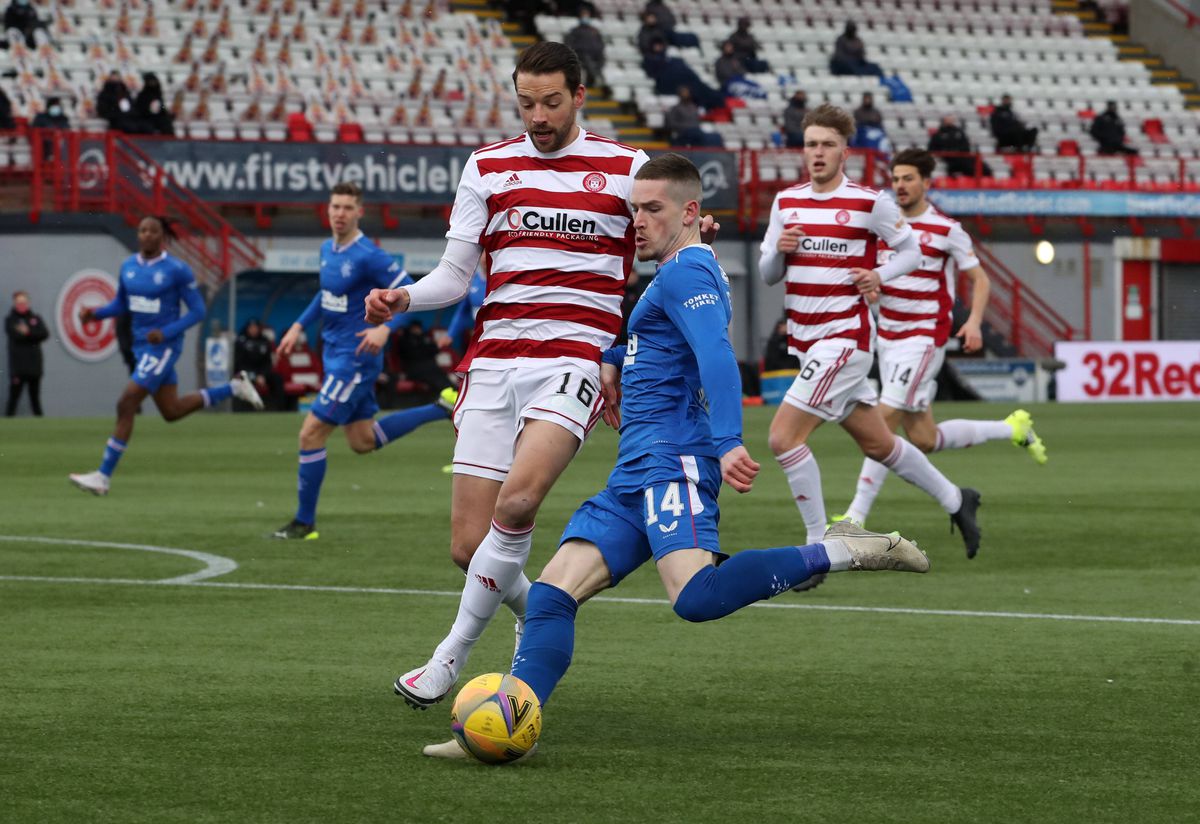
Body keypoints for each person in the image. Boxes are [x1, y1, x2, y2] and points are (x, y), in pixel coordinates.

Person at [421, 155, 929, 758]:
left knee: (696, 598)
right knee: (554, 596)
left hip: (675, 459)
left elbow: (715, 353)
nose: (637, 220)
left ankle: (846, 549)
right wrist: (614, 358)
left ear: (689, 212)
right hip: (635, 466)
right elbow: (653, 339)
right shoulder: (675, 269)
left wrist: (728, 440)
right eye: (634, 208)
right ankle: (509, 722)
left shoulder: (688, 273)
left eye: (652, 208)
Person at [364, 42, 715, 712]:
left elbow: (670, 236)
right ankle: (537, 605)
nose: (538, 115)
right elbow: (455, 275)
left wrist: (689, 241)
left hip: (574, 360)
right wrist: (403, 297)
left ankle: (449, 658)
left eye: (551, 102)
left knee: (518, 505)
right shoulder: (489, 166)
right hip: (493, 363)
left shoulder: (623, 167)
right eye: (527, 102)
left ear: (579, 96)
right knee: (470, 548)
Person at [758, 104, 981, 577]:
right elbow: (767, 275)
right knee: (880, 444)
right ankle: (957, 499)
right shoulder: (786, 202)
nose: (817, 153)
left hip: (844, 341)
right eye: (811, 144)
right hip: (806, 342)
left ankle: (816, 549)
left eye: (827, 145)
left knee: (782, 437)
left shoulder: (868, 201)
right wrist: (779, 252)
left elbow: (913, 251)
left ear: (844, 151)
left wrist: (876, 273)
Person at [835, 149, 1047, 527]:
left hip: (924, 338)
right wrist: (873, 291)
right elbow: (882, 276)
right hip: (889, 338)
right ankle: (1012, 428)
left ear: (926, 183)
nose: (900, 185)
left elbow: (980, 279)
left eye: (908, 178)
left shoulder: (947, 229)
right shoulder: (887, 229)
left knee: (882, 425)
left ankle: (856, 516)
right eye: (896, 178)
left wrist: (975, 322)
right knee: (925, 438)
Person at [270, 182, 457, 540]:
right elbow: (325, 296)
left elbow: (408, 289)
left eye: (346, 207)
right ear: (327, 209)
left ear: (359, 212)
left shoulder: (369, 254)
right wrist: (296, 326)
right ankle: (440, 407)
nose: (339, 213)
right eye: (334, 206)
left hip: (354, 359)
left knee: (310, 434)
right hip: (333, 353)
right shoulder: (328, 249)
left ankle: (304, 523)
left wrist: (386, 330)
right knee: (362, 440)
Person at [68, 216, 265, 496]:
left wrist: (167, 331)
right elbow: (123, 303)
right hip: (141, 346)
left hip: (164, 347)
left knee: (126, 403)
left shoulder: (177, 270)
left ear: (163, 237)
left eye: (152, 231)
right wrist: (95, 314)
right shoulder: (129, 266)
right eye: (142, 230)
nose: (146, 235)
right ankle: (234, 387)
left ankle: (103, 476)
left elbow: (198, 311)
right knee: (171, 411)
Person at [5, 290, 48, 416]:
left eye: (24, 302)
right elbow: (15, 335)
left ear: (28, 302)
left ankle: (42, 428)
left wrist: (28, 333)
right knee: (13, 399)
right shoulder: (10, 320)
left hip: (34, 367)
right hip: (18, 368)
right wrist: (31, 335)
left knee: (35, 399)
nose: (21, 305)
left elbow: (44, 334)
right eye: (19, 303)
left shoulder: (35, 318)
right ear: (14, 303)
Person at [233, 317, 282, 411]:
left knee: (278, 379)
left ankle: (278, 409)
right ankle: (242, 410)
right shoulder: (241, 341)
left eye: (255, 327)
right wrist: (255, 376)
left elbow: (268, 362)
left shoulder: (264, 341)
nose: (253, 330)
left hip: (262, 373)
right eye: (251, 327)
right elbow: (239, 364)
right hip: (246, 373)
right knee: (241, 380)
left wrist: (263, 375)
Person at [394, 319, 454, 394]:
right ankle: (448, 393)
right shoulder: (405, 340)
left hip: (430, 366)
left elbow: (434, 350)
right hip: (414, 368)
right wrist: (426, 350)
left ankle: (452, 391)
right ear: (411, 328)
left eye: (419, 328)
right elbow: (413, 354)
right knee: (435, 378)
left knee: (440, 375)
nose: (417, 330)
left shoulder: (425, 338)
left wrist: (428, 349)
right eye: (415, 328)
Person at [564, 8, 604, 88]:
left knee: (601, 59)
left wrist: (599, 50)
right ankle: (597, 77)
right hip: (581, 54)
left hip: (595, 54)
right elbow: (569, 43)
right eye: (583, 15)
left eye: (587, 15)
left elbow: (601, 43)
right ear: (580, 17)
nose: (585, 17)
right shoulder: (575, 30)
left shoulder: (594, 30)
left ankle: (594, 79)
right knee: (587, 59)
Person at [133, 72, 175, 136]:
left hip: (158, 117)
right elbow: (139, 109)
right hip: (146, 118)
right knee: (147, 128)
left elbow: (162, 106)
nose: (153, 84)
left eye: (154, 82)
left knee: (167, 124)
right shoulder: (142, 95)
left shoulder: (158, 95)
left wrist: (164, 110)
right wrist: (149, 109)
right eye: (151, 82)